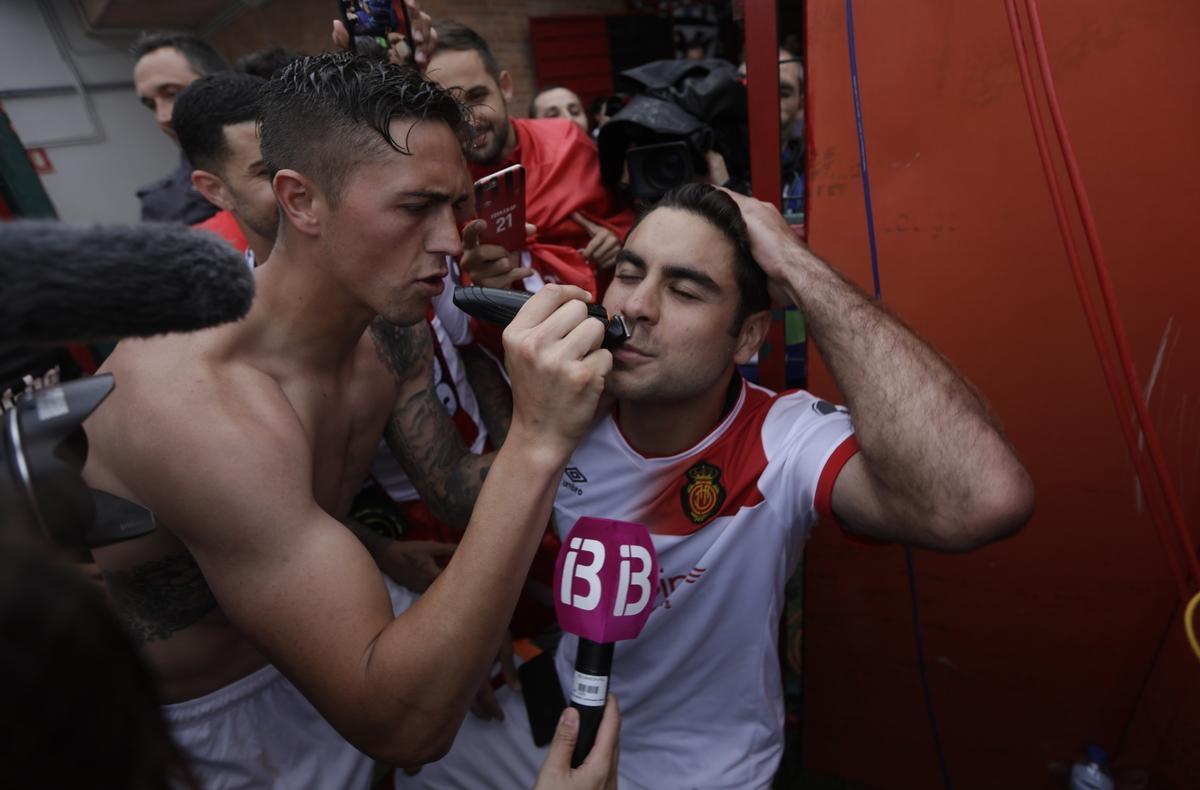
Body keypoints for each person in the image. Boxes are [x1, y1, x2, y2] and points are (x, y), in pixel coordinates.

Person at [83, 53, 617, 789]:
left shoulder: (388, 328)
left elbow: (441, 494)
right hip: (221, 711)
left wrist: (384, 560)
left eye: (455, 205)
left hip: (345, 611)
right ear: (301, 202)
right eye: (413, 207)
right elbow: (402, 728)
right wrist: (537, 435)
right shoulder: (195, 401)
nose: (450, 240)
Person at [401, 183, 1035, 789]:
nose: (636, 307)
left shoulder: (781, 439)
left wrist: (794, 261)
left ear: (750, 336)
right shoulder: (565, 409)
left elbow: (981, 501)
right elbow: (467, 498)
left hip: (703, 766)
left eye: (684, 289)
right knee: (411, 763)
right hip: (559, 714)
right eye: (628, 272)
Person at [427, 22, 633, 297]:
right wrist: (482, 289)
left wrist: (618, 236)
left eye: (477, 96)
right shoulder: (445, 191)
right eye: (450, 107)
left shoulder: (568, 141)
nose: (469, 119)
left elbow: (630, 212)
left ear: (505, 87)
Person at [171, 72, 275, 265]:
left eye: (303, 161)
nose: (297, 181)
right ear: (215, 190)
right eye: (266, 173)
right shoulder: (236, 295)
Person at [130, 32, 228, 224]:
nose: (162, 117)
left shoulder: (291, 157)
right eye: (151, 105)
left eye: (172, 94)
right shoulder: (162, 209)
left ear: (222, 82)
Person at [778, 48, 805, 216]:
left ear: (801, 105)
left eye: (783, 93)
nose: (767, 97)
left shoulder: (810, 173)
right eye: (754, 89)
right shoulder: (714, 162)